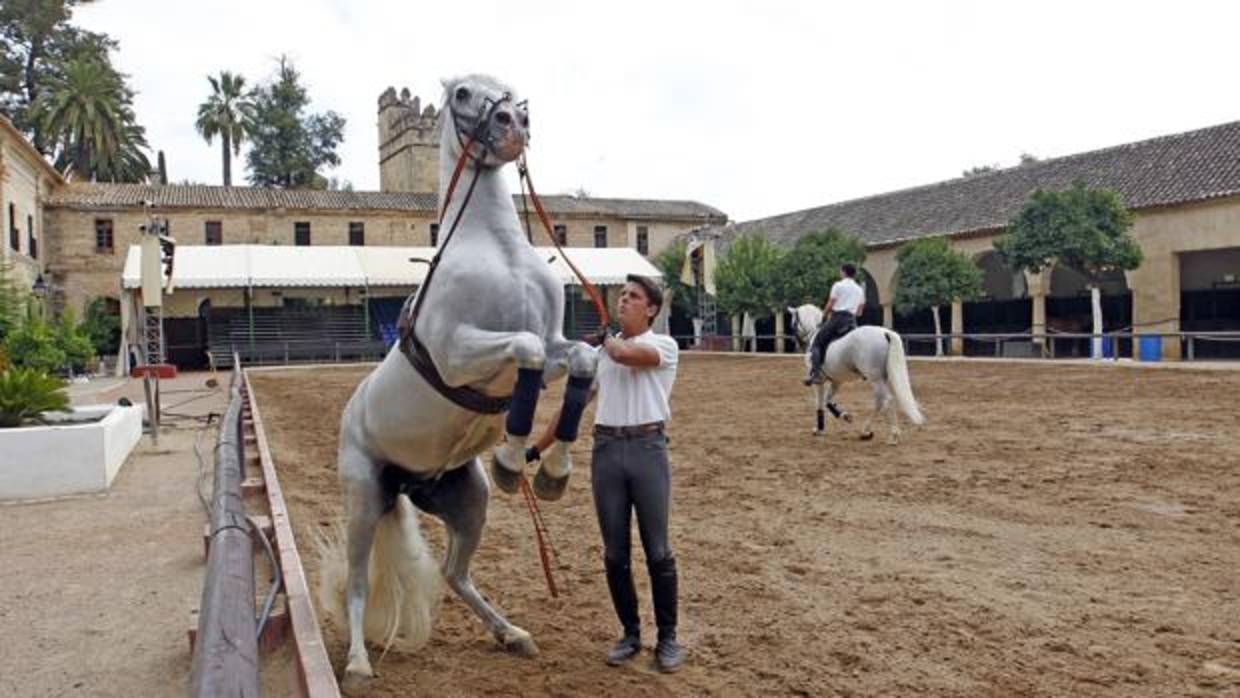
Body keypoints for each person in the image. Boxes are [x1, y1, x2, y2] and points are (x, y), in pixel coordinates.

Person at [528, 274, 685, 672]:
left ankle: (667, 637)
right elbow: (572, 408)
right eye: (622, 296)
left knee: (658, 551)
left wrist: (604, 341)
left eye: (633, 297)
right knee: (615, 553)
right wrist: (535, 449)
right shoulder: (604, 354)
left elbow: (629, 356)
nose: (624, 301)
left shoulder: (662, 345)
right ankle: (631, 633)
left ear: (651, 308)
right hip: (608, 451)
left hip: (648, 449)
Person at [804, 262, 865, 385]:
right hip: (852, 321)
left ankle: (816, 374)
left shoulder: (838, 285)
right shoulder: (860, 289)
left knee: (817, 343)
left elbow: (831, 303)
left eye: (840, 271)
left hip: (838, 319)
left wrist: (824, 315)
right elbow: (859, 312)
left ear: (843, 272)